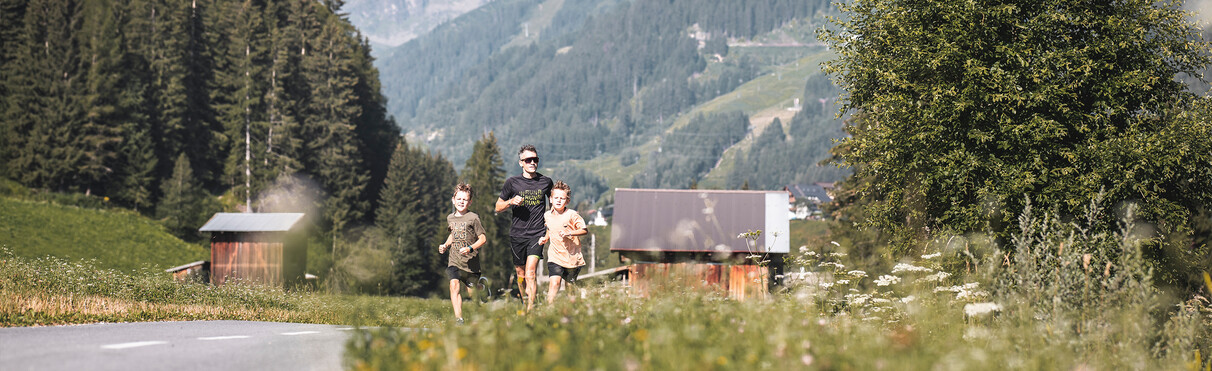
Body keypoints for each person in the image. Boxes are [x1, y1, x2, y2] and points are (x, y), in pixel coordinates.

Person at [495, 144, 553, 312]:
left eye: (535, 159)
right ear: (521, 163)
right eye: (528, 160)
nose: (532, 163)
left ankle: (530, 309)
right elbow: (497, 206)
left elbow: (554, 207)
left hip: (537, 233)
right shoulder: (512, 183)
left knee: (530, 273)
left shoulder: (546, 182)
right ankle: (524, 301)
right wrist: (510, 202)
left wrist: (549, 230)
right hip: (517, 234)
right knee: (520, 275)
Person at [439, 183, 487, 324]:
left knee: (472, 293)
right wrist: (445, 245)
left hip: (470, 263)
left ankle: (482, 288)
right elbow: (453, 234)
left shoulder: (473, 218)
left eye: (465, 200)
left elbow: (483, 238)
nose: (461, 202)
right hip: (454, 261)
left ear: (470, 202)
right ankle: (459, 319)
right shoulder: (450, 218)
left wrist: (470, 248)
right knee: (454, 285)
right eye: (458, 199)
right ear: (453, 200)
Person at [538, 181, 588, 304]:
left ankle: (573, 310)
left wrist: (569, 233)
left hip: (572, 258)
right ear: (550, 199)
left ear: (567, 201)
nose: (559, 201)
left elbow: (584, 230)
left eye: (562, 198)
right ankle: (548, 310)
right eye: (556, 198)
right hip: (555, 256)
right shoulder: (547, 215)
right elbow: (550, 228)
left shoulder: (572, 215)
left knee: (570, 289)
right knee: (554, 283)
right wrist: (545, 238)